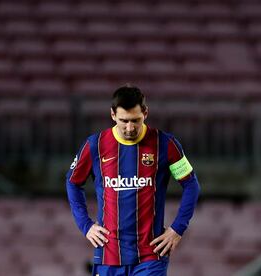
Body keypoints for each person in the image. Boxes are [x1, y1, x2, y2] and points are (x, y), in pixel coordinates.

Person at [66, 85, 201, 276]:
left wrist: (177, 228)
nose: (130, 128)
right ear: (113, 115)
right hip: (109, 254)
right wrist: (85, 225)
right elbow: (72, 182)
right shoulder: (95, 145)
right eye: (124, 121)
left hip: (151, 255)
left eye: (135, 121)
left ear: (145, 113)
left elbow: (191, 185)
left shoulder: (165, 144)